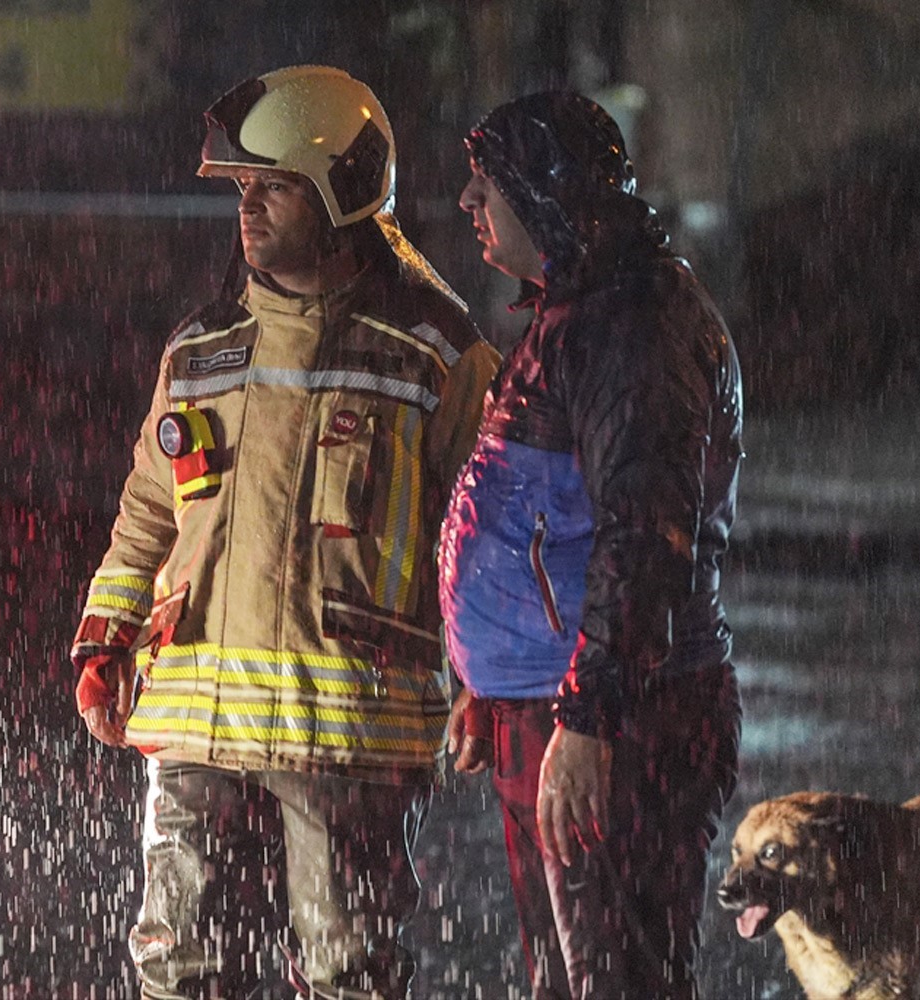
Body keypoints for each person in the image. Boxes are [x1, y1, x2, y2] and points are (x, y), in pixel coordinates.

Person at [71, 65, 499, 999]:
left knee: (351, 973)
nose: (247, 210)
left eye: (270, 187)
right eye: (239, 189)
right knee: (179, 967)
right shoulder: (199, 350)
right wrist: (103, 639)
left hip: (348, 730)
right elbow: (149, 512)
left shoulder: (437, 354)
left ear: (343, 191)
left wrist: (490, 682)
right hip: (193, 723)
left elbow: (490, 539)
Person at [438, 91, 743, 999]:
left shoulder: (631, 326)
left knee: (615, 981)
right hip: (560, 703)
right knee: (571, 981)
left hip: (622, 717)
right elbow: (548, 518)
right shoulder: (583, 310)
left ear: (543, 196)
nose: (466, 203)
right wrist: (495, 680)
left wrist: (589, 716)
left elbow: (644, 535)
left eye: (485, 183)